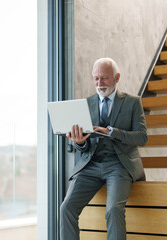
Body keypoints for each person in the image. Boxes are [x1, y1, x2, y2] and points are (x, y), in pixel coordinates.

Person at [60, 57, 147, 240]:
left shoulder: (132, 102)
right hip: (90, 166)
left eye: (104, 78)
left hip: (119, 165)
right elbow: (82, 147)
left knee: (114, 209)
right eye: (96, 78)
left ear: (117, 78)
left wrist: (111, 132)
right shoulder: (85, 103)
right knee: (66, 208)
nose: (99, 83)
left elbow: (142, 137)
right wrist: (80, 142)